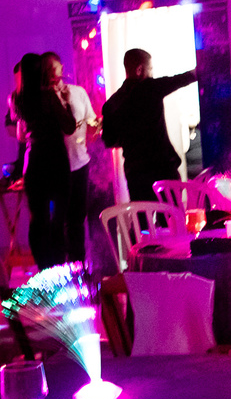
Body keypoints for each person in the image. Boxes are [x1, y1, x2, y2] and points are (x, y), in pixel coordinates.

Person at [101, 49, 197, 203]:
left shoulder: (111, 104)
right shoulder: (151, 87)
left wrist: (129, 136)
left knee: (142, 216)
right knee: (171, 214)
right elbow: (181, 79)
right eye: (150, 69)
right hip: (163, 169)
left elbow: (110, 141)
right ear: (139, 70)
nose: (152, 73)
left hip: (135, 174)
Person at [13, 53, 74, 268]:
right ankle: (58, 268)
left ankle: (43, 269)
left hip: (33, 163)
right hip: (55, 160)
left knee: (38, 221)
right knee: (58, 220)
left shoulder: (16, 99)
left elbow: (21, 135)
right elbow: (69, 126)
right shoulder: (48, 96)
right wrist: (66, 103)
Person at [43, 52, 99, 262]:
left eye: (54, 67)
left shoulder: (78, 92)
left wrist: (97, 126)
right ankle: (58, 268)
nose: (53, 72)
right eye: (47, 69)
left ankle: (79, 266)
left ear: (61, 67)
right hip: (55, 169)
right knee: (57, 220)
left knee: (77, 220)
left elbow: (91, 120)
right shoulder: (43, 98)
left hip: (80, 163)